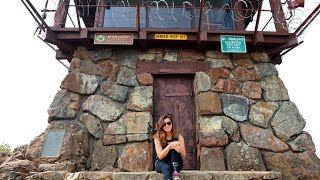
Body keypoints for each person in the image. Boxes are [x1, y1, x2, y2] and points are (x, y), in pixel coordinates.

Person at [153, 114, 187, 180]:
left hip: (176, 164)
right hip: (162, 163)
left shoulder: (179, 137)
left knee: (174, 148)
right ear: (161, 126)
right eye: (164, 124)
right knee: (166, 167)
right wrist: (169, 146)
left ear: (172, 124)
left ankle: (175, 172)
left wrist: (178, 145)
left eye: (168, 123)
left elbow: (183, 155)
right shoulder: (157, 137)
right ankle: (172, 177)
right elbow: (160, 156)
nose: (167, 125)